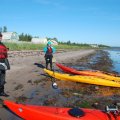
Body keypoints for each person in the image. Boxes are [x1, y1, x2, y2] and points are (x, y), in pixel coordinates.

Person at [0, 32, 10, 97]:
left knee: (2, 79)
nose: (0, 38)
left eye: (1, 36)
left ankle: (2, 92)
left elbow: (4, 52)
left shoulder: (2, 44)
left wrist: (6, 50)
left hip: (3, 62)